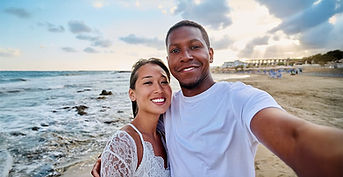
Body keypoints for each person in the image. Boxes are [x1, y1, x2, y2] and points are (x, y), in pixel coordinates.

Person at [92, 20, 343, 177]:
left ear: (210, 54)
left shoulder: (240, 98)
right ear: (169, 60)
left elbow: (295, 137)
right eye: (175, 50)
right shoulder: (169, 107)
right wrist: (116, 157)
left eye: (195, 46)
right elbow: (142, 138)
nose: (186, 55)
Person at [100, 58, 172, 177]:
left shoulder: (167, 135)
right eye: (148, 82)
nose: (159, 89)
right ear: (132, 94)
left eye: (164, 82)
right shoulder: (123, 144)